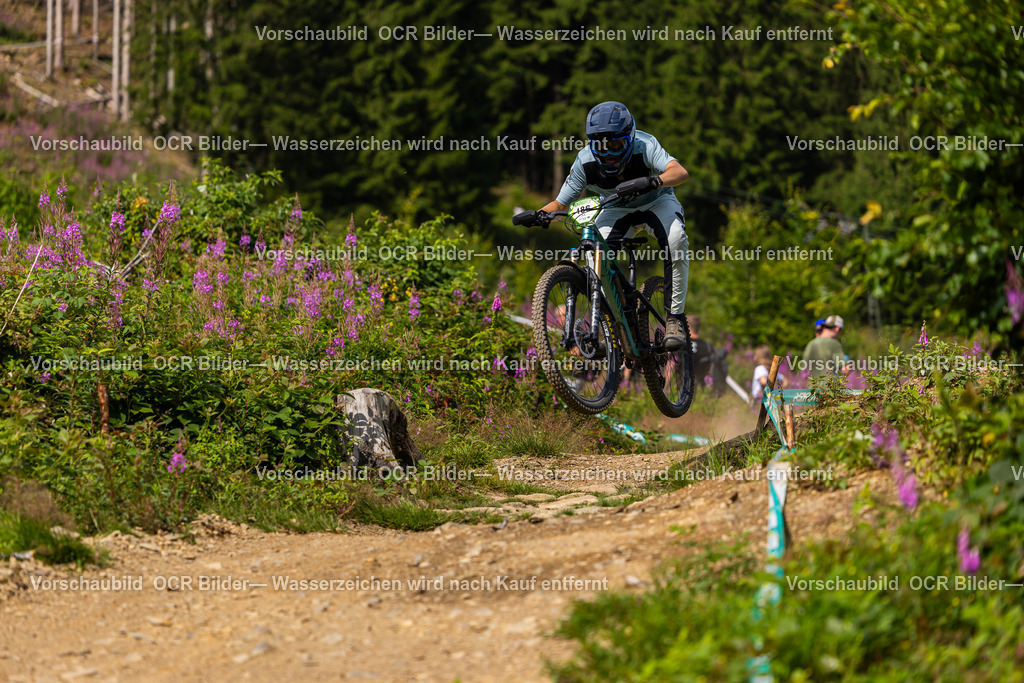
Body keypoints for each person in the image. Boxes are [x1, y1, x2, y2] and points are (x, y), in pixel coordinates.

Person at [528, 101, 690, 349]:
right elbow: (560, 203)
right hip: (615, 208)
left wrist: (653, 181)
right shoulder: (584, 162)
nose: (610, 152)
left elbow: (679, 172)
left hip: (657, 201)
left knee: (676, 238)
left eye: (617, 144)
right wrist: (537, 215)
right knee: (595, 257)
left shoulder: (645, 145)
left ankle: (675, 318)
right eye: (602, 145)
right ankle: (608, 327)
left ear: (630, 136)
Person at [802, 314, 851, 379]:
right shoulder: (834, 344)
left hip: (813, 388)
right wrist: (847, 363)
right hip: (830, 388)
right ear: (837, 329)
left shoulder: (810, 344)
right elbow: (845, 370)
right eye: (840, 331)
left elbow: (804, 372)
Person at [690, 315, 728, 395]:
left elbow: (671, 365)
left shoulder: (682, 344)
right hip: (701, 389)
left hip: (682, 389)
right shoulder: (707, 346)